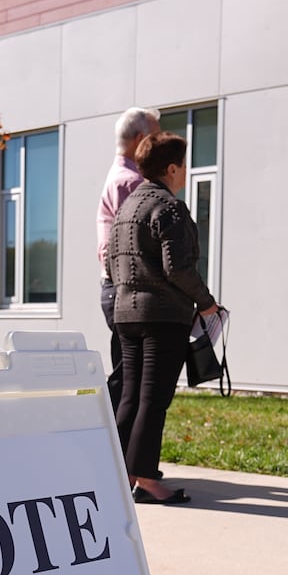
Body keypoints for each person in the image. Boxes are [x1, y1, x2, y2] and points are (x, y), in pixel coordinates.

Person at [106, 131, 218, 505]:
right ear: (171, 168)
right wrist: (206, 304)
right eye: (184, 165)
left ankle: (120, 474)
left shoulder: (126, 208)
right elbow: (179, 269)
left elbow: (110, 260)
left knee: (130, 398)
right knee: (153, 399)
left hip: (126, 314)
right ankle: (148, 481)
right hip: (162, 317)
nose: (186, 172)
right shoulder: (169, 208)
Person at [96, 108, 161, 412]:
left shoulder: (122, 178)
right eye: (156, 134)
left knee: (128, 382)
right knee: (129, 386)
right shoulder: (131, 184)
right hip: (126, 293)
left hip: (119, 291)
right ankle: (114, 453)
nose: (160, 140)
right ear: (140, 140)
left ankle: (117, 453)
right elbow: (138, 247)